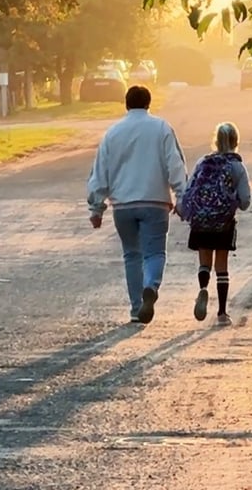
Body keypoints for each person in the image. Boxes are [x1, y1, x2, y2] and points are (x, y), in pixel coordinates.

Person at [87, 85, 187, 324]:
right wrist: (182, 196)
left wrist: (96, 207)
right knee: (154, 252)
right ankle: (150, 286)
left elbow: (100, 171)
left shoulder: (113, 133)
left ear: (126, 103)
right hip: (155, 201)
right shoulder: (161, 128)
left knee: (132, 255)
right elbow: (175, 164)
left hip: (123, 205)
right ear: (148, 103)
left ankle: (136, 307)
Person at [181, 122, 252, 327]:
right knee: (222, 266)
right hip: (223, 223)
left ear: (215, 141)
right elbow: (246, 200)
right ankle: (221, 313)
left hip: (201, 221)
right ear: (236, 141)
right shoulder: (236, 166)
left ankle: (203, 289)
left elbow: (190, 188)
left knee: (205, 263)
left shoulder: (203, 162)